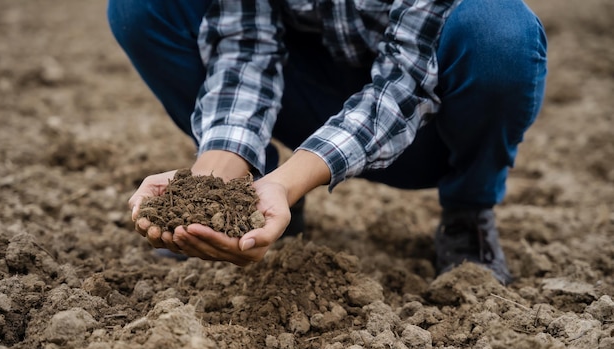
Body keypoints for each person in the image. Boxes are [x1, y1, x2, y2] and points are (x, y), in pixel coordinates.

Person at [107, 0, 547, 285]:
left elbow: (402, 86)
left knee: (500, 34)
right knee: (142, 7)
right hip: (308, 96)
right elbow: (245, 47)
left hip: (428, 124)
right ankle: (259, 183)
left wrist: (292, 178)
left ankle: (468, 212)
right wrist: (215, 181)